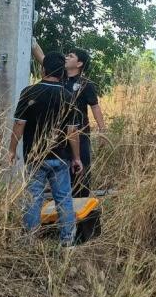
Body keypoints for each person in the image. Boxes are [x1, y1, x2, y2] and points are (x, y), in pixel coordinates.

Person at [8, 52, 83, 245]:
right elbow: (72, 132)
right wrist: (76, 158)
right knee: (64, 199)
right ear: (62, 73)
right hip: (60, 158)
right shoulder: (68, 96)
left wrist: (11, 149)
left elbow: (19, 124)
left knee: (33, 199)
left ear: (43, 69)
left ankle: (29, 240)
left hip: (35, 157)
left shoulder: (29, 92)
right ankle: (67, 241)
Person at [32, 40, 106, 197]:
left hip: (81, 135)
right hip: (59, 137)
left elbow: (95, 107)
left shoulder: (86, 84)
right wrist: (33, 44)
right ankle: (65, 209)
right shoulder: (59, 78)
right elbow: (44, 60)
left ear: (79, 63)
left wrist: (103, 130)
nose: (66, 57)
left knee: (81, 174)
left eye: (70, 56)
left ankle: (82, 212)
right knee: (62, 176)